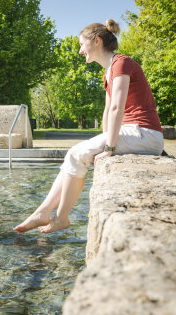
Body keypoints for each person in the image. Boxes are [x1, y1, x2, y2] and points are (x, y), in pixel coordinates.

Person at [14, 19, 163, 233]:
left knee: (76, 154)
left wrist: (109, 148)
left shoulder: (121, 63)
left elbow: (117, 110)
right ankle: (44, 212)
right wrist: (104, 140)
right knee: (74, 155)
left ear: (97, 41)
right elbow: (107, 110)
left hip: (144, 134)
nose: (80, 50)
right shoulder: (108, 71)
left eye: (82, 44)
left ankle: (61, 217)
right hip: (132, 133)